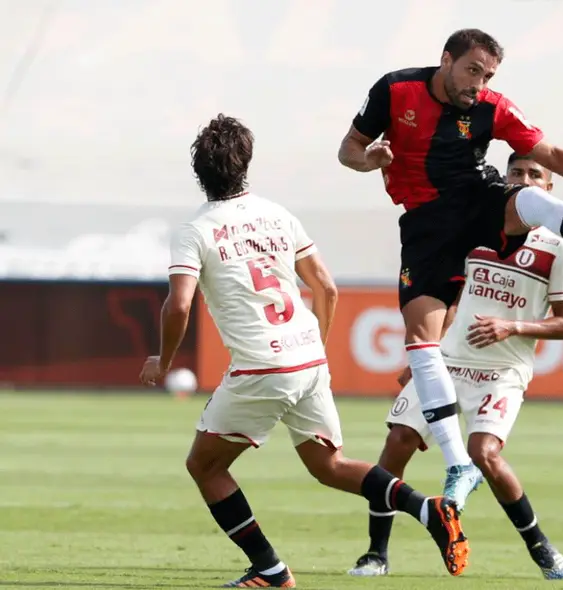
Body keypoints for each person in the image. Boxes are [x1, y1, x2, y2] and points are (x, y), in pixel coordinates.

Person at [139, 114, 470, 587]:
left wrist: (164, 360)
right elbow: (326, 288)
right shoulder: (278, 215)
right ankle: (427, 508)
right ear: (246, 164)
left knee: (204, 465)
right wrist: (314, 346)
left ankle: (270, 570)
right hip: (308, 358)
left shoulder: (196, 230)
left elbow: (180, 305)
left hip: (261, 366)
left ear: (199, 172)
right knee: (329, 466)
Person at [338, 28, 563, 508]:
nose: (478, 84)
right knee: (422, 343)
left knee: (529, 199)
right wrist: (368, 159)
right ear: (446, 60)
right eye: (472, 70)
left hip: (476, 200)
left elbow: (552, 156)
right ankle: (458, 462)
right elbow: (348, 150)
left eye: (487, 75)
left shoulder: (492, 108)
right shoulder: (395, 90)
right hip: (426, 226)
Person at [347, 152, 563, 580]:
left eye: (534, 174)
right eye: (516, 172)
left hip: (502, 372)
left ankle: (540, 546)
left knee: (483, 454)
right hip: (447, 361)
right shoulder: (474, 227)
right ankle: (375, 553)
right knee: (397, 442)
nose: (524, 179)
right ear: (505, 178)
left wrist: (512, 326)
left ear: (549, 189)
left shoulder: (559, 248)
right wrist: (419, 358)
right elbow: (450, 299)